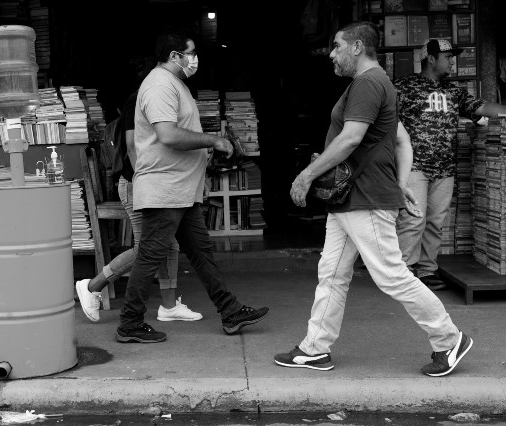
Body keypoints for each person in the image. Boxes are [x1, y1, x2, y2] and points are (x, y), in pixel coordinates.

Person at [273, 22, 472, 377]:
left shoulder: (367, 83)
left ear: (357, 47)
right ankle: (315, 348)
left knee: (391, 275)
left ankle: (448, 338)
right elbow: (401, 141)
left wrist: (306, 175)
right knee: (332, 273)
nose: (331, 54)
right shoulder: (380, 84)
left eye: (336, 47)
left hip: (364, 197)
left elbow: (351, 139)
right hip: (353, 198)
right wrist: (401, 184)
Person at [115, 30, 269, 343]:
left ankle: (230, 312)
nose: (194, 58)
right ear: (175, 56)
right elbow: (169, 136)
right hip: (165, 190)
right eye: (191, 52)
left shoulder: (175, 84)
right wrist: (212, 140)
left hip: (181, 190)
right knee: (150, 256)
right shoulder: (159, 85)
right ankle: (129, 323)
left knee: (200, 252)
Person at [76, 59, 202, 324]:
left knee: (168, 244)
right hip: (138, 183)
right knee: (147, 246)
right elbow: (133, 147)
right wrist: (144, 181)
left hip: (148, 182)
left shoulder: (154, 97)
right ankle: (92, 286)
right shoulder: (141, 98)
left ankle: (168, 306)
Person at [394, 38, 506, 291]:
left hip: (445, 169)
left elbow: (483, 107)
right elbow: (383, 118)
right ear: (431, 59)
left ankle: (426, 271)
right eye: (448, 57)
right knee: (413, 220)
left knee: (435, 222)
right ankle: (403, 273)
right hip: (414, 167)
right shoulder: (403, 86)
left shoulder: (454, 92)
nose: (453, 61)